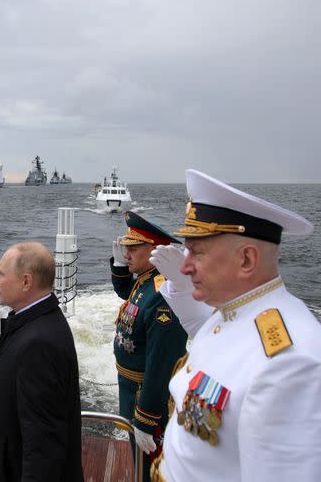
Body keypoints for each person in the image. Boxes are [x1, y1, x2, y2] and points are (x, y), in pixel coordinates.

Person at [148, 169, 321, 482]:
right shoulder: (234, 311)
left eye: (197, 252)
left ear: (246, 261)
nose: (185, 266)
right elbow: (213, 338)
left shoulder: (289, 362)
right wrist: (184, 290)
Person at [0, 242, 82, 482]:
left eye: (1, 274)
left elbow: (43, 447)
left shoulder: (38, 344)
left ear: (26, 282)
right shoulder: (33, 324)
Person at [109, 211, 189, 481]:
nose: (126, 253)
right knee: (139, 461)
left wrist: (146, 418)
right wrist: (121, 267)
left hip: (147, 397)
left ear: (154, 250)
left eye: (132, 248)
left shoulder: (163, 294)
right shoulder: (146, 282)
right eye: (125, 247)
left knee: (152, 470)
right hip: (131, 390)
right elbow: (131, 296)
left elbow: (161, 362)